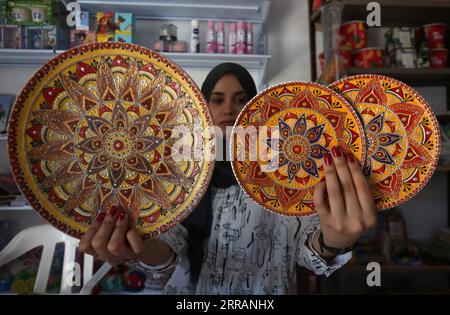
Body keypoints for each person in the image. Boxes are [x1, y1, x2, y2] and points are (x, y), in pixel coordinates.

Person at [79, 63, 377, 294]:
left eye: (240, 99)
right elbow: (168, 249)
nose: (228, 110)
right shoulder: (180, 174)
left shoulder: (285, 172)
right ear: (202, 109)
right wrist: (138, 247)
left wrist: (335, 241)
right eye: (216, 100)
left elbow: (308, 247)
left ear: (255, 106)